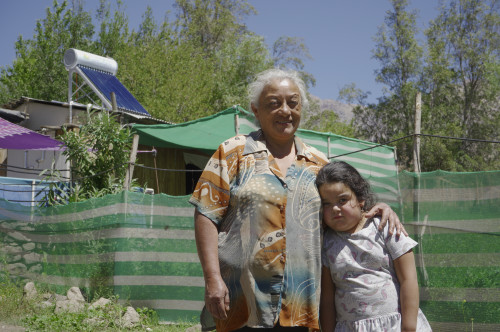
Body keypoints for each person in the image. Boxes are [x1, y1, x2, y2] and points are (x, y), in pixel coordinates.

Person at [189, 68, 405, 332]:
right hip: (242, 301)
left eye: (293, 102)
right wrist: (212, 278)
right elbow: (206, 214)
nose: (285, 110)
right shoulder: (232, 152)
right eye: (274, 103)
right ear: (256, 111)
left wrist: (379, 209)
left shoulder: (319, 164)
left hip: (303, 306)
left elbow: (344, 212)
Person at [316, 161, 431, 331]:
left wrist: (409, 327)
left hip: (394, 326)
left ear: (361, 199)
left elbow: (409, 279)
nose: (335, 209)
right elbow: (327, 297)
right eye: (326, 203)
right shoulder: (326, 242)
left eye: (342, 200)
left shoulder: (385, 226)